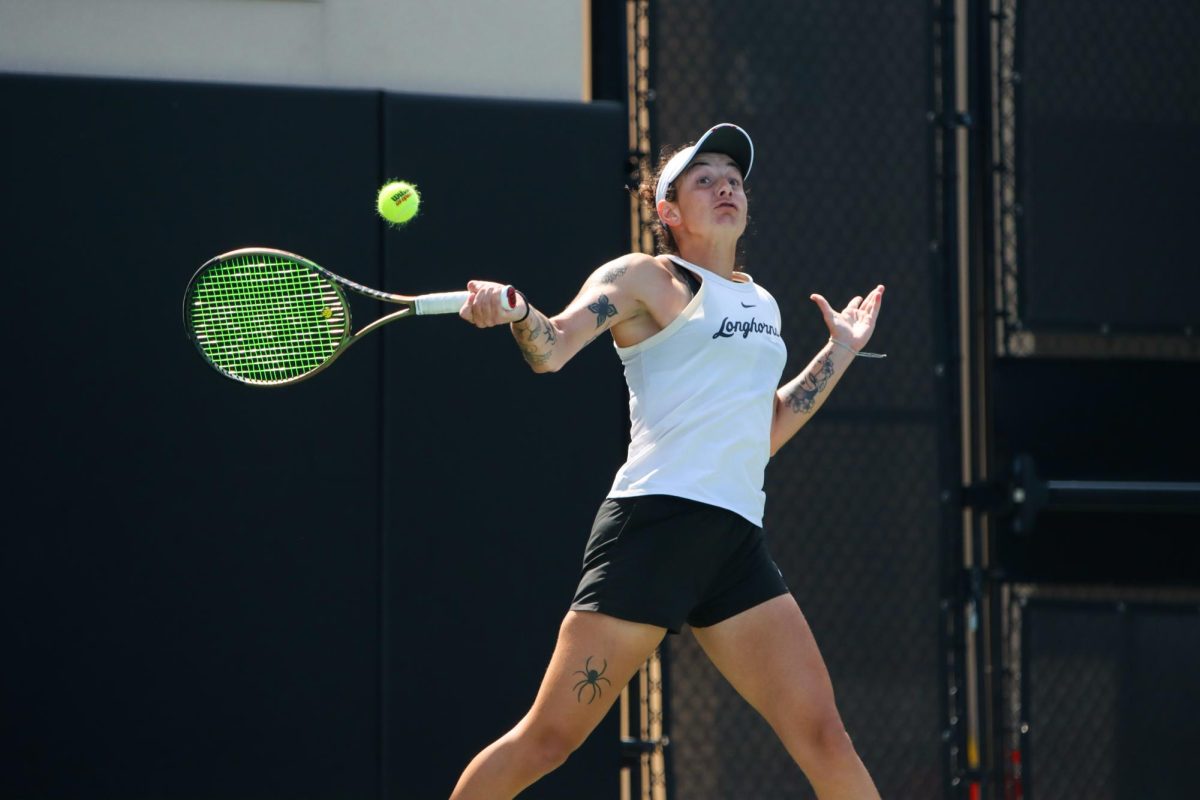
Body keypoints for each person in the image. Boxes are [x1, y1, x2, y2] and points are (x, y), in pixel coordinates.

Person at [452, 123, 884, 800]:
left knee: (825, 737)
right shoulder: (642, 278)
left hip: (733, 544)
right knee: (548, 740)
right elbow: (553, 348)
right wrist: (514, 313)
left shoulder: (761, 302)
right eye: (704, 179)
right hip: (654, 528)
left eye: (734, 178)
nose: (726, 187)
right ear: (669, 211)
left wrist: (840, 354)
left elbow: (761, 430)